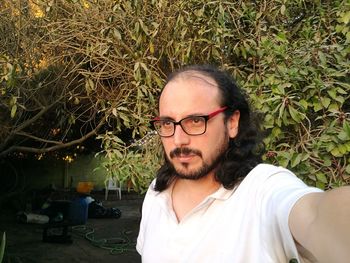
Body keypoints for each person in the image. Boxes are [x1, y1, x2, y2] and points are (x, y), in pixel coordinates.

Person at [136, 64, 350, 263]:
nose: (178, 139)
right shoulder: (156, 194)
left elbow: (315, 216)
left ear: (232, 123)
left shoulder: (262, 191)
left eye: (196, 121)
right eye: (167, 123)